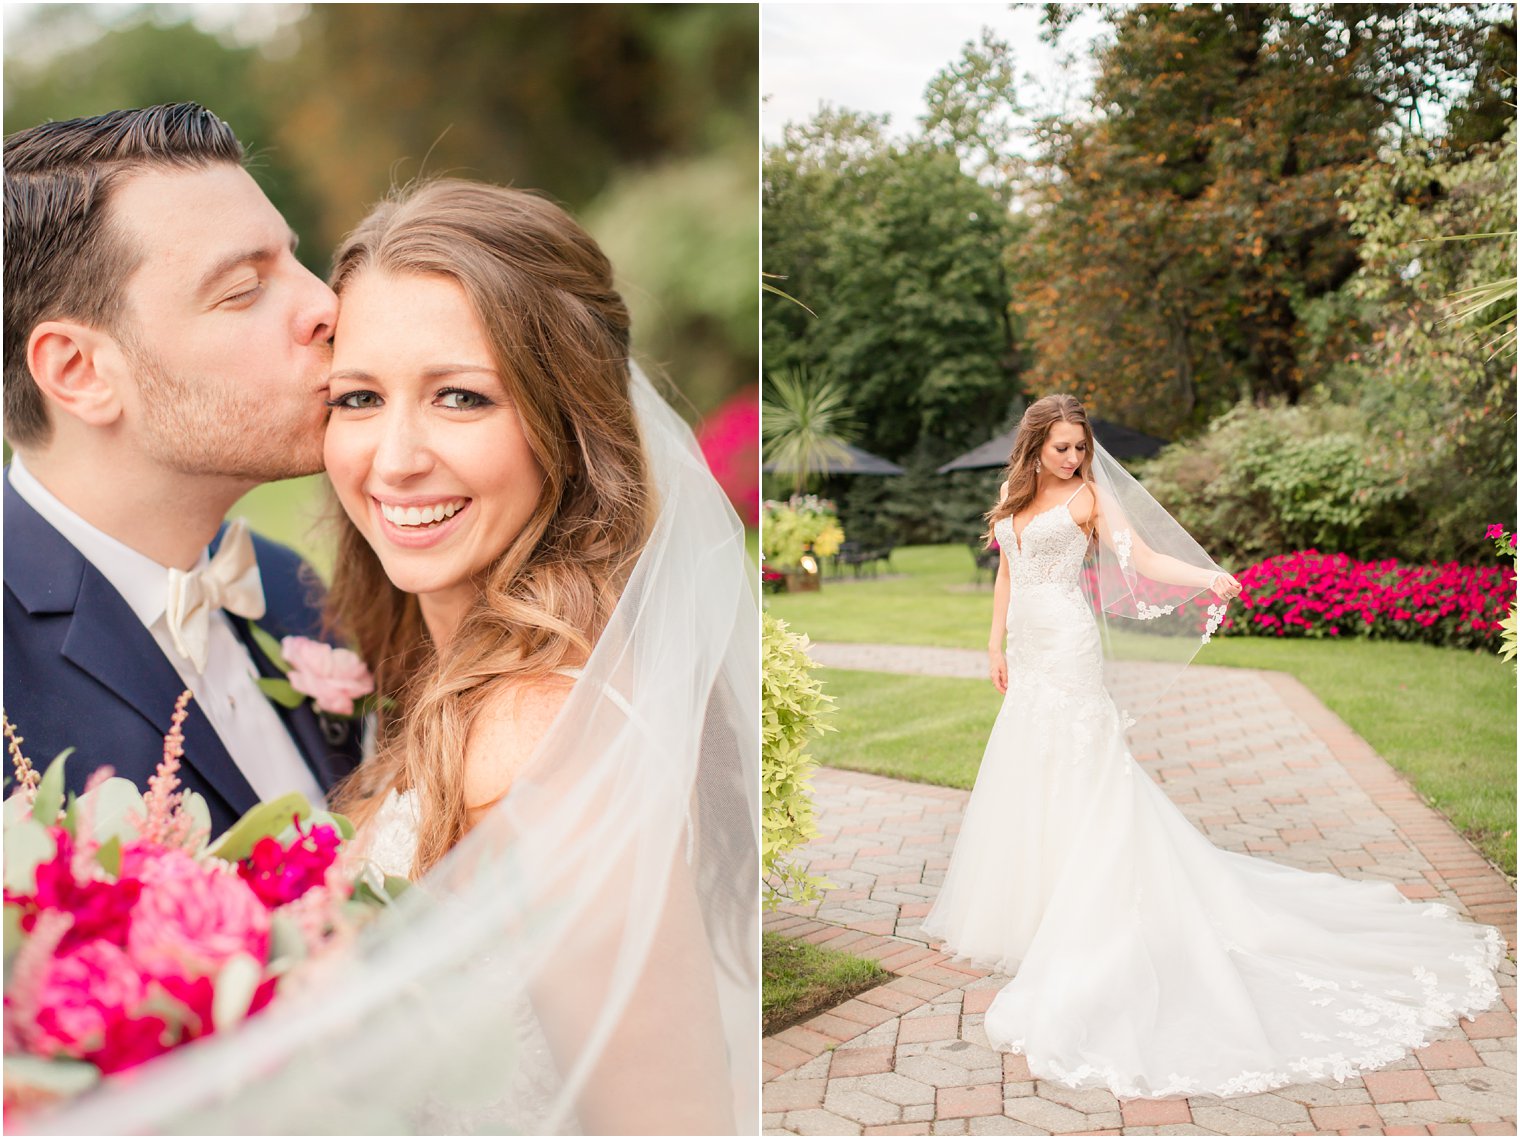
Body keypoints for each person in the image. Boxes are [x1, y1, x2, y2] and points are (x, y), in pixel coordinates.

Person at [31, 179, 760, 1136]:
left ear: (567, 424)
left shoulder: (551, 730)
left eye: (462, 396)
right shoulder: (355, 630)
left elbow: (670, 1117)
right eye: (360, 398)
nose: (396, 456)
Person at [921, 393, 1503, 1099]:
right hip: (1028, 646)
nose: (1074, 458)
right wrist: (991, 644)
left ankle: (1096, 911)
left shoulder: (1091, 500)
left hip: (1071, 648)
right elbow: (1008, 574)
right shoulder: (1012, 497)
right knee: (1031, 768)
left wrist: (1207, 576)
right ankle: (1036, 905)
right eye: (1063, 447)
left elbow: (1146, 560)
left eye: (1081, 446)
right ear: (1036, 443)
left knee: (1085, 768)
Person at [2, 104, 363, 837]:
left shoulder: (293, 591)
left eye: (295, 259)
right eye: (244, 288)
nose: (327, 304)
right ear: (79, 370)